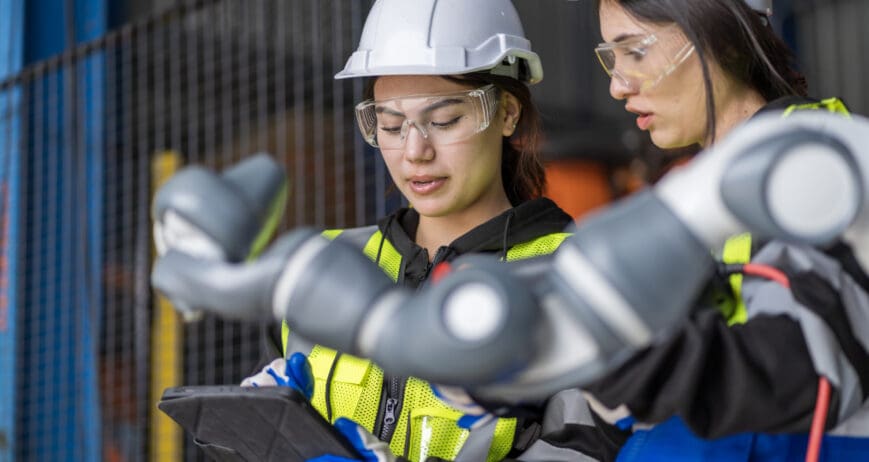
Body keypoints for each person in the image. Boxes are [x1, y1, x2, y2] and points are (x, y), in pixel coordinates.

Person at [240, 0, 600, 460]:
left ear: (508, 113)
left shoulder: (571, 278)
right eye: (390, 125)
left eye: (444, 120)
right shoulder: (321, 264)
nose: (415, 151)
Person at [577, 0, 869, 460]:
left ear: (726, 42)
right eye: (611, 58)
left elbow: (804, 373)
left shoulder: (823, 167)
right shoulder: (685, 197)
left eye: (635, 52)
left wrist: (607, 352)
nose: (616, 86)